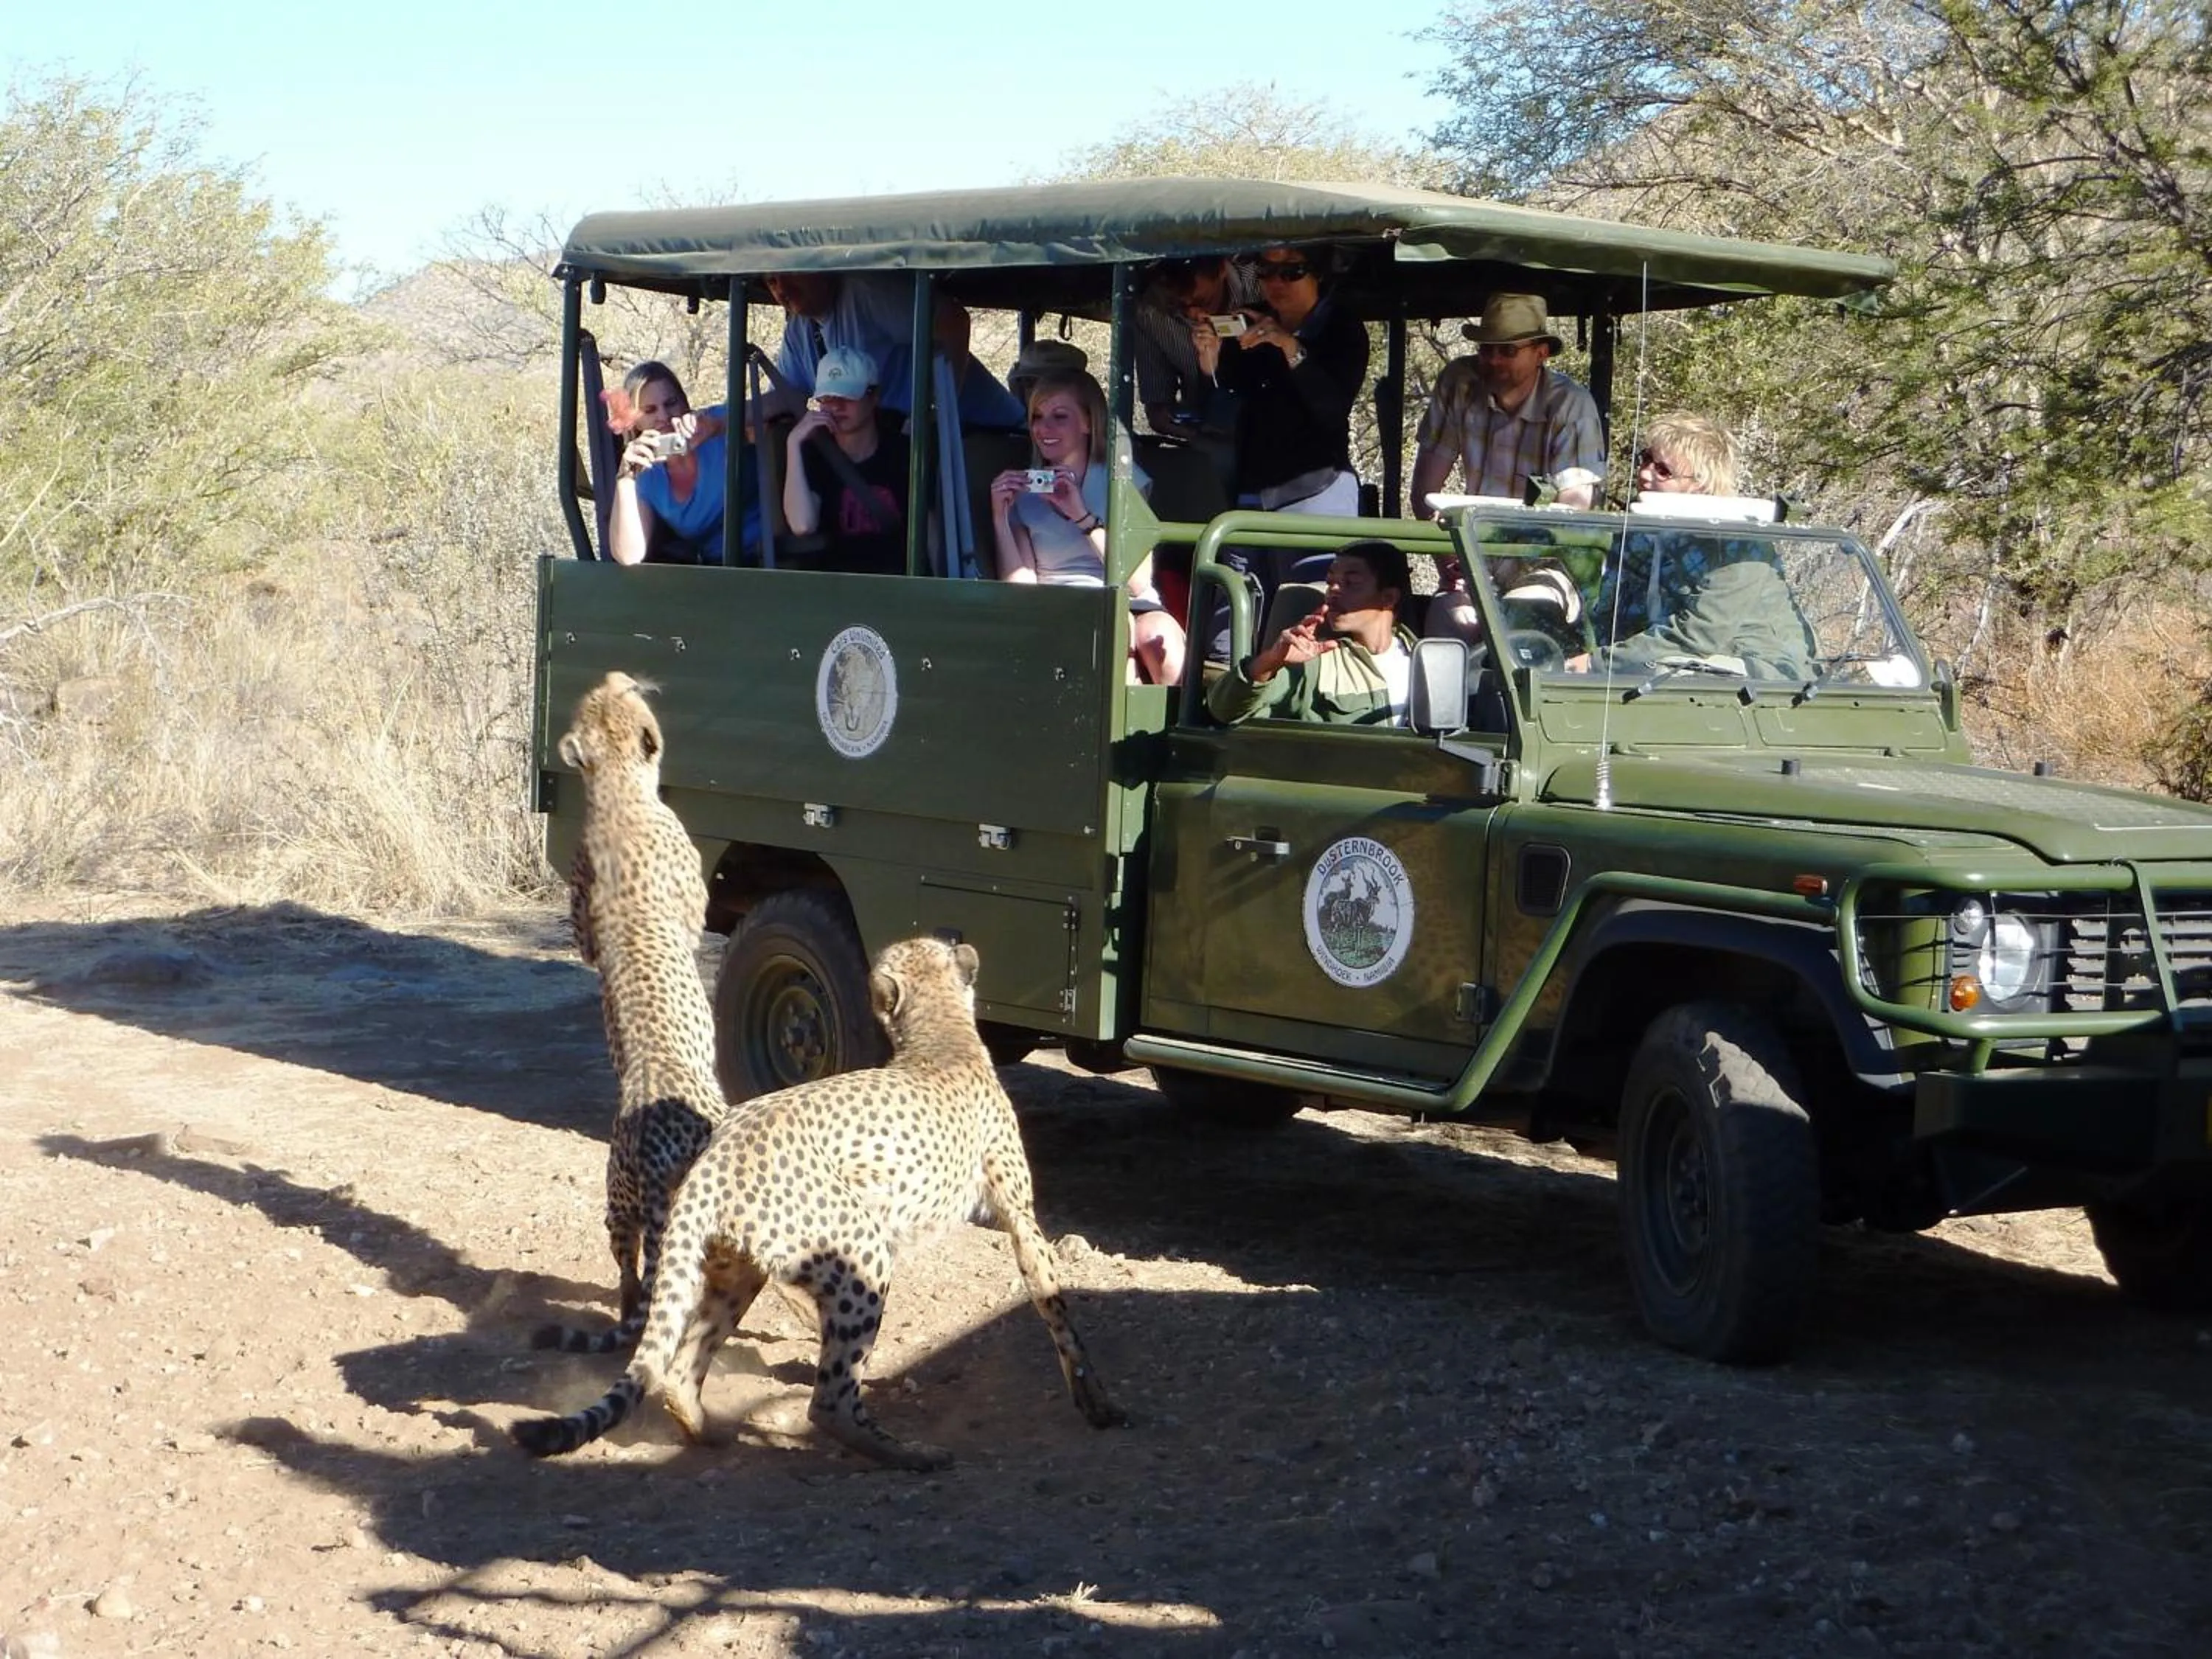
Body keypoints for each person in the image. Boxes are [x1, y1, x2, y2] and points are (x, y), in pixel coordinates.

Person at [1576, 412, 1813, 678]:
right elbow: (1613, 611)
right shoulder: (1642, 531)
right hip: (1662, 669)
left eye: (1663, 470)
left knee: (1678, 672)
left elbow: (1697, 636)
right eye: (1645, 459)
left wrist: (1595, 664)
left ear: (1701, 484)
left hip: (1760, 680)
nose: (1644, 473)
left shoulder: (1740, 544)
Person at [988, 370, 1186, 686]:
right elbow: (1021, 588)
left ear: (1088, 423)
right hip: (1061, 608)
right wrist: (1000, 518)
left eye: (1059, 416)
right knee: (1106, 634)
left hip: (1129, 602)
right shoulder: (1027, 492)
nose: (1044, 428)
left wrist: (1081, 516)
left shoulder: (1122, 481)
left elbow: (1135, 581)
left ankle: (1171, 732)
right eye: (1037, 417)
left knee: (1163, 645)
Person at [1194, 245, 1368, 518]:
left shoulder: (1342, 328)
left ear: (1319, 273)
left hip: (1315, 490)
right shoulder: (1250, 321)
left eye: (1291, 271)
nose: (1276, 282)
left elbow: (1332, 410)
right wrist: (1211, 361)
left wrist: (1291, 348)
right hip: (1251, 492)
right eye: (1265, 270)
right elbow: (1224, 401)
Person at [1408, 293, 1604, 514]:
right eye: (1486, 349)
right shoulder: (1459, 383)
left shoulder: (1571, 406)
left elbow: (1573, 513)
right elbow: (1425, 493)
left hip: (1538, 542)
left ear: (1541, 354)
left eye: (1507, 350)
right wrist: (1446, 540)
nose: (1494, 360)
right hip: (1470, 537)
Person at [768, 271, 1023, 428]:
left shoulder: (866, 292)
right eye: (772, 280)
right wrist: (730, 419)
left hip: (985, 432)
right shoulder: (798, 328)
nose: (782, 288)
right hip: (899, 444)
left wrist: (934, 414)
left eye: (790, 271)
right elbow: (786, 395)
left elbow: (952, 322)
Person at [1207, 540, 1418, 727]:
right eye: (1330, 582)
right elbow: (1224, 711)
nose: (1334, 590)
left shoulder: (1430, 658)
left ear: (1388, 597)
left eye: (1351, 583)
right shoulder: (1318, 662)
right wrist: (1270, 662)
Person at [605, 362, 760, 566]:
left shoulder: (710, 424)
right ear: (635, 422)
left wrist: (722, 426)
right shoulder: (646, 474)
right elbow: (629, 556)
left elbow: (785, 402)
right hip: (720, 570)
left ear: (685, 403)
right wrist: (625, 479)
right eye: (650, 410)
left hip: (773, 556)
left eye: (670, 403)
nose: (664, 416)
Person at [782, 346, 910, 575]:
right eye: (827, 398)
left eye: (847, 396)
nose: (835, 406)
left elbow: (932, 533)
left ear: (874, 398)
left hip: (896, 584)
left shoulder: (904, 453)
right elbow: (802, 525)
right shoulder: (813, 454)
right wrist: (793, 443)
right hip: (830, 588)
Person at [1133, 256, 1258, 437]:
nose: (1194, 314)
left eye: (1203, 302)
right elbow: (1157, 407)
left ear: (1222, 270)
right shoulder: (1152, 312)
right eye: (1180, 305)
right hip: (1207, 437)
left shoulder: (1263, 281)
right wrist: (1179, 424)